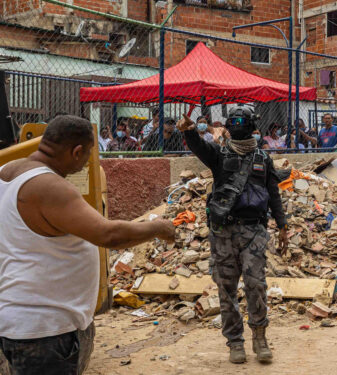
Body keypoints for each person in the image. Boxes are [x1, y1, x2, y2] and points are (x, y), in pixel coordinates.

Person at [0, 115, 174, 375]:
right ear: (77, 151)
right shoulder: (48, 186)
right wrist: (159, 228)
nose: (87, 163)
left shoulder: (9, 171)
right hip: (46, 330)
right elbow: (110, 235)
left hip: (25, 322)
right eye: (88, 154)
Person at [177, 106, 288, 365]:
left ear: (252, 126)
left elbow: (274, 193)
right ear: (228, 125)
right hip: (223, 230)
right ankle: (235, 342)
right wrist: (191, 131)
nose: (238, 125)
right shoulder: (219, 154)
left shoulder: (262, 158)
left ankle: (260, 338)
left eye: (242, 121)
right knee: (226, 288)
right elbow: (199, 148)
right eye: (234, 121)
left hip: (254, 230)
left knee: (256, 285)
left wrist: (283, 225)